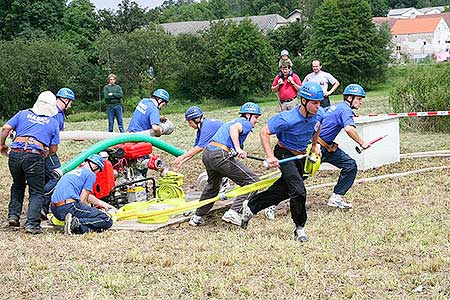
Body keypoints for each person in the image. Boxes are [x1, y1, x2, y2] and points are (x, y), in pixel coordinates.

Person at [241, 82, 325, 242]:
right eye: (315, 102)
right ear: (304, 101)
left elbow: (317, 127)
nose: (318, 106)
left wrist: (315, 146)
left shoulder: (319, 114)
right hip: (284, 153)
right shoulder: (287, 118)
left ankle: (251, 206)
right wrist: (270, 156)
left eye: (319, 102)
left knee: (284, 190)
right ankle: (299, 228)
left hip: (300, 156)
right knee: (299, 191)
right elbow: (264, 132)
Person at [189, 102, 262, 227]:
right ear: (248, 115)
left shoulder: (233, 121)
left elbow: (229, 134)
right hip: (219, 155)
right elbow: (234, 129)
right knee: (253, 181)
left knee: (212, 187)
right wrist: (238, 149)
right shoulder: (245, 123)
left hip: (208, 154)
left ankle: (197, 216)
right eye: (256, 117)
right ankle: (233, 212)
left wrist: (234, 150)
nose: (257, 121)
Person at [0, 91, 60, 234]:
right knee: (36, 191)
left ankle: (13, 216)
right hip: (33, 155)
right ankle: (32, 224)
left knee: (18, 185)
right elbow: (53, 149)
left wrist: (2, 144)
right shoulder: (52, 122)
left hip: (15, 153)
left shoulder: (22, 114)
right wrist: (46, 151)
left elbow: (6, 128)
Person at [318, 84, 370, 209]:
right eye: (359, 99)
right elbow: (348, 129)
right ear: (350, 98)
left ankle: (336, 198)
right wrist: (362, 142)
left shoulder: (337, 106)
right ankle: (273, 203)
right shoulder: (345, 110)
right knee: (297, 177)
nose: (361, 102)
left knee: (350, 165)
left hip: (326, 146)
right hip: (316, 147)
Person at [50, 154, 115, 235]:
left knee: (88, 216)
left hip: (55, 210)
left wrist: (104, 204)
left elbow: (87, 196)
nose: (97, 174)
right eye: (98, 171)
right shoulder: (90, 174)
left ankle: (74, 225)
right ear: (95, 167)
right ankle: (76, 223)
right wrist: (95, 211)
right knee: (106, 219)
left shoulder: (73, 172)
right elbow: (82, 200)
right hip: (69, 207)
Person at [42, 87, 76, 218]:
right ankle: (42, 203)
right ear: (65, 100)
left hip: (48, 149)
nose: (71, 105)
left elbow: (60, 133)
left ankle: (43, 208)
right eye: (71, 102)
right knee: (57, 176)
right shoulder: (54, 113)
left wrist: (75, 136)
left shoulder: (60, 114)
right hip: (48, 150)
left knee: (47, 178)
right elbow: (51, 134)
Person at [173, 106, 223, 171]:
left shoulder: (207, 126)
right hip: (219, 148)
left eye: (190, 122)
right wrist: (181, 162)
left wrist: (181, 157)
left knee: (209, 156)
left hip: (226, 149)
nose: (190, 125)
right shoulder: (200, 129)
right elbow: (195, 149)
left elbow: (200, 148)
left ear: (196, 120)